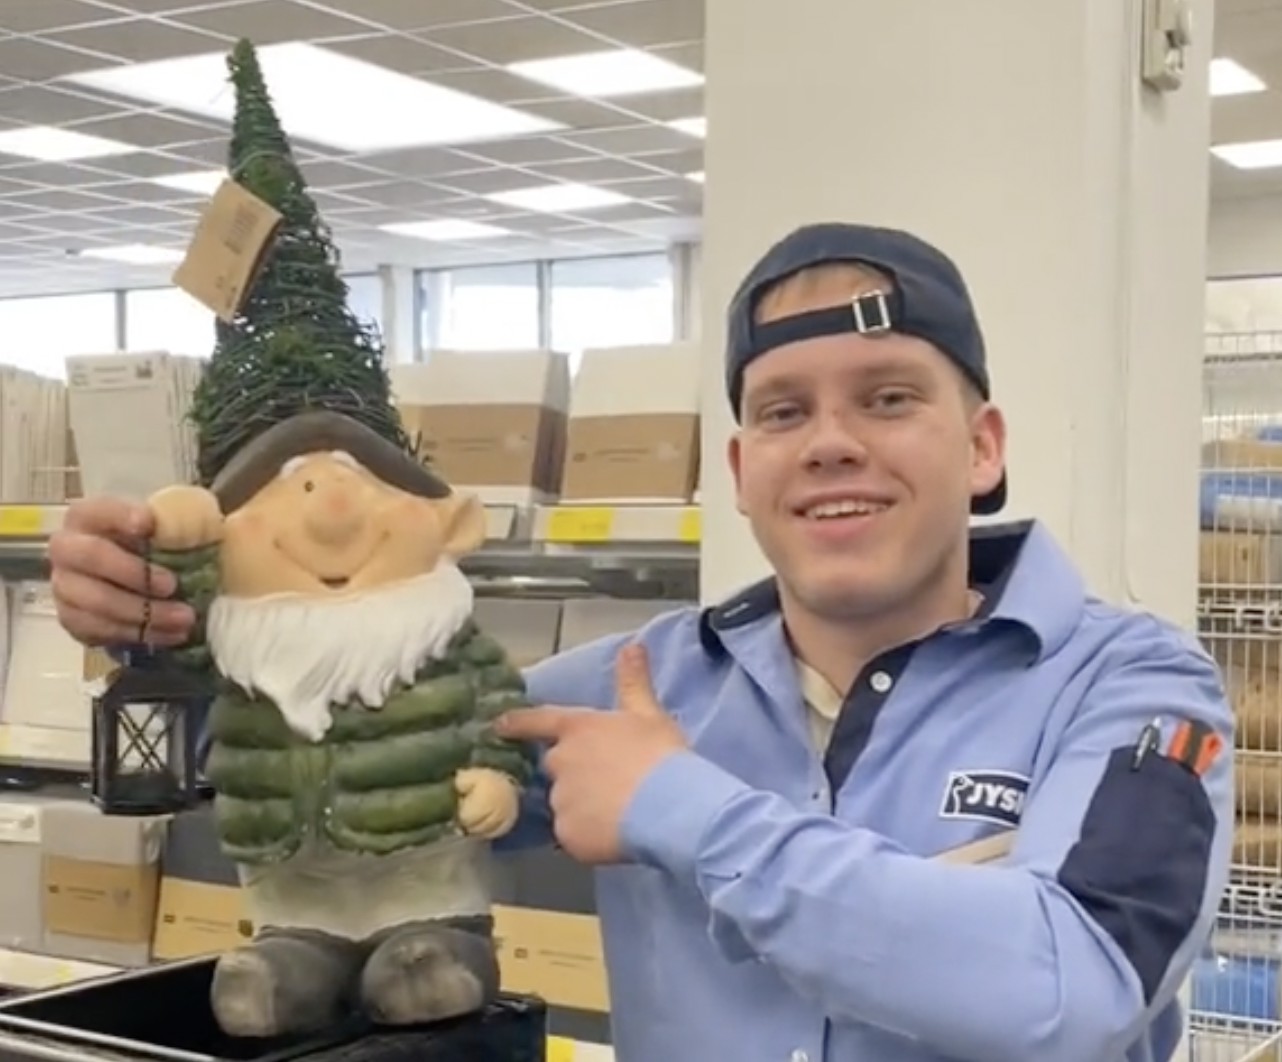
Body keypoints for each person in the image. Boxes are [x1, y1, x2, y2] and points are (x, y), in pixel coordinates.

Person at [50, 222, 1233, 1062]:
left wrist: (678, 809)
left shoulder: (1133, 690)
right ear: (742, 472)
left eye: (886, 398)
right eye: (783, 411)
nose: (830, 442)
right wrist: (161, 631)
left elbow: (1076, 986)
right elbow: (335, 764)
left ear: (981, 447)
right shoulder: (626, 689)